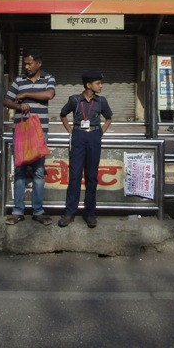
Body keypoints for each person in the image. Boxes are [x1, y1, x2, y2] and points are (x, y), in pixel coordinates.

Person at [2, 49, 55, 226]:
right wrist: (18, 106)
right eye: (25, 63)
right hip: (21, 130)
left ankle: (38, 211)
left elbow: (49, 95)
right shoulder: (19, 80)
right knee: (20, 170)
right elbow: (7, 100)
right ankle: (18, 211)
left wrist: (25, 95)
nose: (26, 66)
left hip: (40, 131)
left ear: (39, 64)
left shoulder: (48, 78)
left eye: (29, 63)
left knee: (39, 171)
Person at [58, 70, 113, 229]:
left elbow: (109, 117)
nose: (101, 86)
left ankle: (90, 213)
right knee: (74, 175)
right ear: (89, 85)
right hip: (78, 137)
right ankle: (69, 213)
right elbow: (62, 114)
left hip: (94, 137)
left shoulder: (101, 101)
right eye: (98, 83)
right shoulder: (75, 100)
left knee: (91, 176)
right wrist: (70, 130)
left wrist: (101, 132)